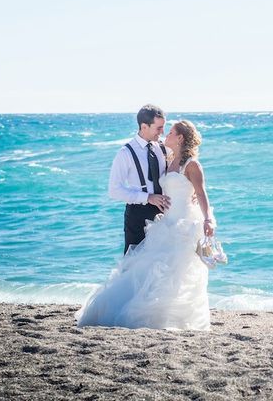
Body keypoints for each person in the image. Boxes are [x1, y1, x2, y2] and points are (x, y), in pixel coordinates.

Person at [75, 120, 216, 330]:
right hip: (166, 222)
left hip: (185, 223)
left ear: (180, 138)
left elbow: (202, 193)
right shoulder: (168, 159)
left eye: (170, 132)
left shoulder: (192, 164)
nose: (165, 134)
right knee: (152, 266)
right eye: (162, 129)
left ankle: (173, 317)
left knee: (179, 271)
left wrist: (208, 219)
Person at [108, 104, 171, 254]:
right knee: (133, 263)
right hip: (138, 214)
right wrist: (148, 197)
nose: (163, 132)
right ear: (144, 127)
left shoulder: (163, 148)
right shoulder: (125, 153)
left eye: (163, 127)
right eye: (158, 128)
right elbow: (114, 190)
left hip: (165, 212)